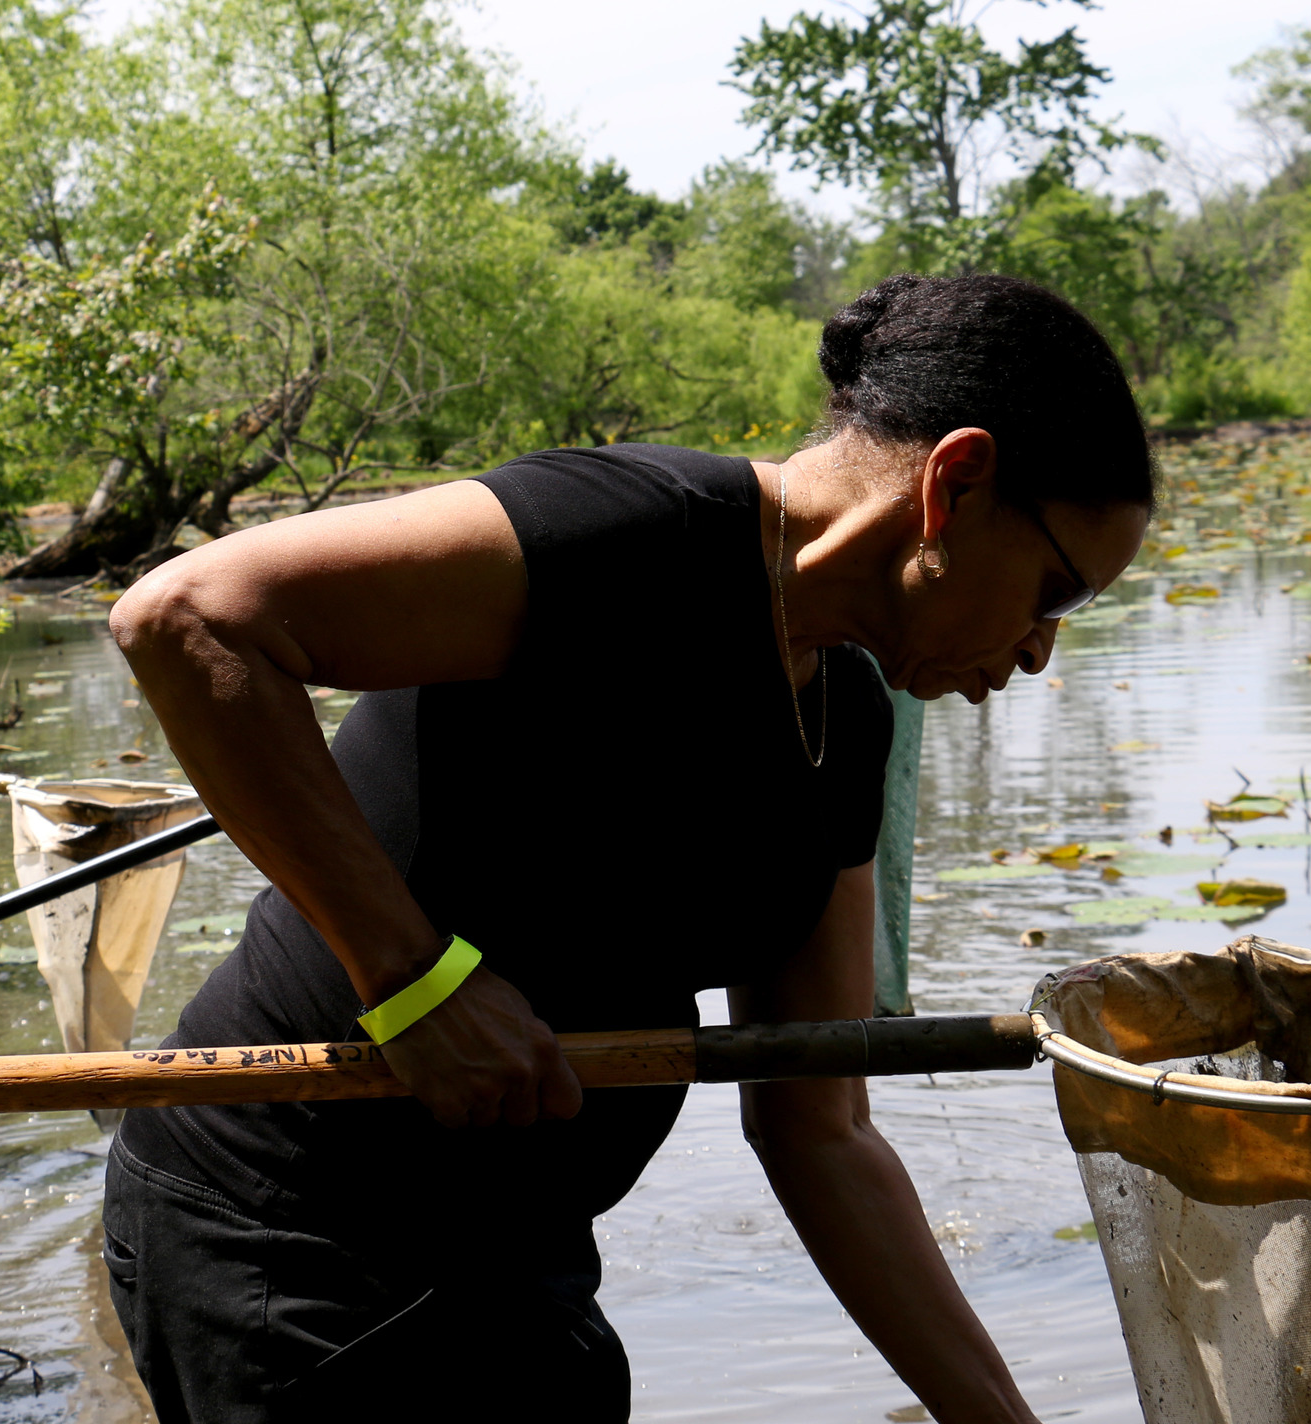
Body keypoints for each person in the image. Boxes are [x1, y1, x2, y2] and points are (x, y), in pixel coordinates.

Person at [99, 273, 1157, 1422]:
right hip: (288, 1229)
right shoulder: (623, 533)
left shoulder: (848, 721)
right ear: (954, 481)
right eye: (1056, 591)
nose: (1042, 649)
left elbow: (820, 1126)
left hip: (520, 1260)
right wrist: (411, 979)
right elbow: (188, 615)